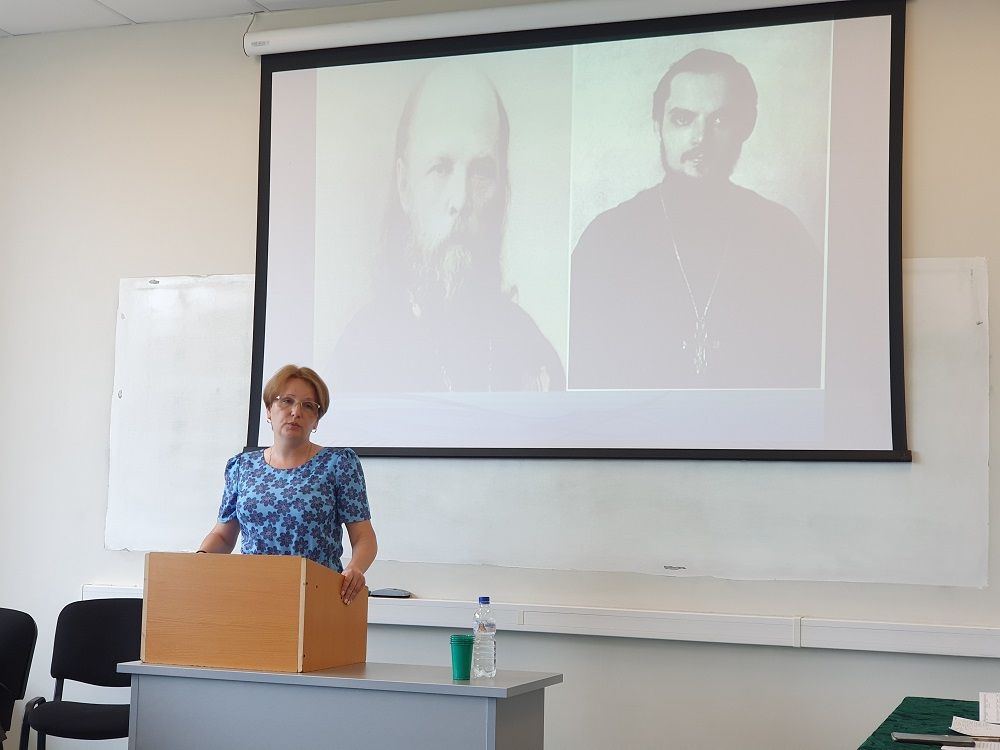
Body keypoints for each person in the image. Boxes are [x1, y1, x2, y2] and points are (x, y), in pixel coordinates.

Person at [569, 48, 823, 389]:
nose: (700, 138)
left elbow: (809, 371)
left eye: (719, 120)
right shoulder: (606, 239)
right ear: (658, 125)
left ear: (746, 127)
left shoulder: (783, 236)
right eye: (682, 119)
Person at [330, 65, 565, 393]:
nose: (461, 199)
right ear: (404, 186)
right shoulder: (359, 352)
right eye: (440, 168)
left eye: (481, 171)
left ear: (503, 192)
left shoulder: (532, 353)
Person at [198, 365, 377, 604]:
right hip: (251, 596)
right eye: (286, 401)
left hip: (316, 599)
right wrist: (200, 560)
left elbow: (364, 537)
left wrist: (355, 568)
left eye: (308, 406)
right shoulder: (242, 467)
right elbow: (223, 535)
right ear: (268, 410)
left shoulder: (338, 464)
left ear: (316, 420)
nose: (296, 412)